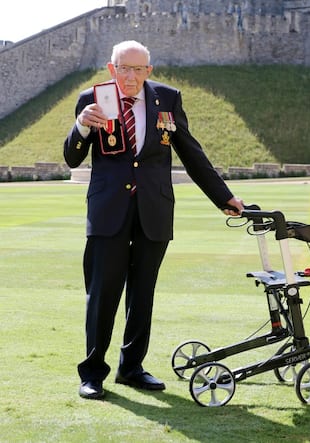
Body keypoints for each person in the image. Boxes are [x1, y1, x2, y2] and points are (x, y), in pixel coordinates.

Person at [64, 40, 244, 400]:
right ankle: (92, 373)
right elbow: (71, 158)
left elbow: (191, 153)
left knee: (142, 294)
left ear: (149, 70)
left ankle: (131, 368)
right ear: (111, 68)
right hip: (108, 213)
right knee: (102, 294)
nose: (130, 76)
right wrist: (82, 127)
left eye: (138, 69)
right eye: (124, 68)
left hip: (154, 211)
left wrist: (223, 197)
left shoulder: (168, 99)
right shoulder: (92, 100)